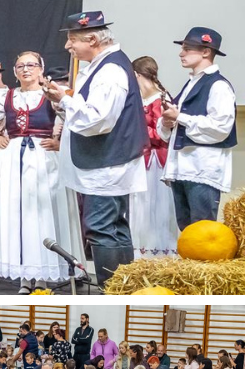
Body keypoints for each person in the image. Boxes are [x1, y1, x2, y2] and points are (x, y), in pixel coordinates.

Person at [47, 11, 148, 283]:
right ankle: (124, 284)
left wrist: (65, 101)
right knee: (115, 226)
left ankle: (110, 286)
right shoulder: (101, 65)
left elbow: (99, 119)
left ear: (92, 39)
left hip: (108, 162)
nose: (68, 47)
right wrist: (61, 102)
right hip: (107, 160)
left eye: (72, 40)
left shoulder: (111, 70)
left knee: (102, 227)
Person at [0, 51, 83, 293]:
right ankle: (24, 276)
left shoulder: (52, 93)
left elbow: (77, 120)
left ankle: (42, 275)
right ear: (14, 71)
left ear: (41, 68)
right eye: (20, 66)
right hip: (13, 158)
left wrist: (59, 141)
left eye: (31, 65)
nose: (26, 70)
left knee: (41, 213)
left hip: (43, 157)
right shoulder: (6, 96)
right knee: (17, 215)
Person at [158, 27, 237, 229]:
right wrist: (168, 123)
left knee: (202, 230)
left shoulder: (218, 86)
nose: (181, 53)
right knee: (186, 229)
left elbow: (220, 128)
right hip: (182, 167)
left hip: (202, 168)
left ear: (205, 51)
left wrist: (180, 117)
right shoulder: (192, 83)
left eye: (187, 49)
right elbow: (174, 125)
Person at [128, 55, 179, 258]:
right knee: (140, 207)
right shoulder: (138, 99)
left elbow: (163, 134)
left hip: (158, 160)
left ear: (136, 75)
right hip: (141, 159)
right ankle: (140, 254)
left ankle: (160, 255)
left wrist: (135, 133)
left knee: (159, 207)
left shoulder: (162, 99)